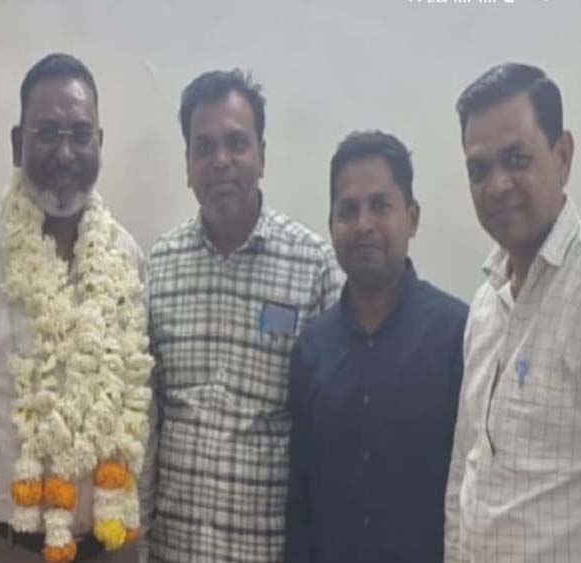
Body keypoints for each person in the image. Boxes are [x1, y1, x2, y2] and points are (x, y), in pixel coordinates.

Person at [0, 53, 150, 563]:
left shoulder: (127, 257)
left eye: (81, 134)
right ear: (18, 143)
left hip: (110, 543)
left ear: (100, 143)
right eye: (48, 133)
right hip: (7, 545)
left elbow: (145, 417)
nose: (66, 151)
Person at [444, 62, 581, 562]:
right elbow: (466, 471)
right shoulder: (487, 302)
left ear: (563, 156)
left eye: (516, 159)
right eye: (479, 170)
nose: (496, 185)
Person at [144, 69, 344, 563]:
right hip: (174, 551)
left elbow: (333, 428)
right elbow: (148, 422)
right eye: (204, 147)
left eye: (236, 143)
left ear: (262, 156)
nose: (221, 161)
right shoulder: (160, 266)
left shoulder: (313, 266)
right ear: (187, 164)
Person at [285, 130, 467, 562]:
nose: (363, 224)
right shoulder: (312, 350)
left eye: (380, 206)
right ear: (331, 224)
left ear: (412, 217)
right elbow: (301, 499)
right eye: (348, 210)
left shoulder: (458, 335)